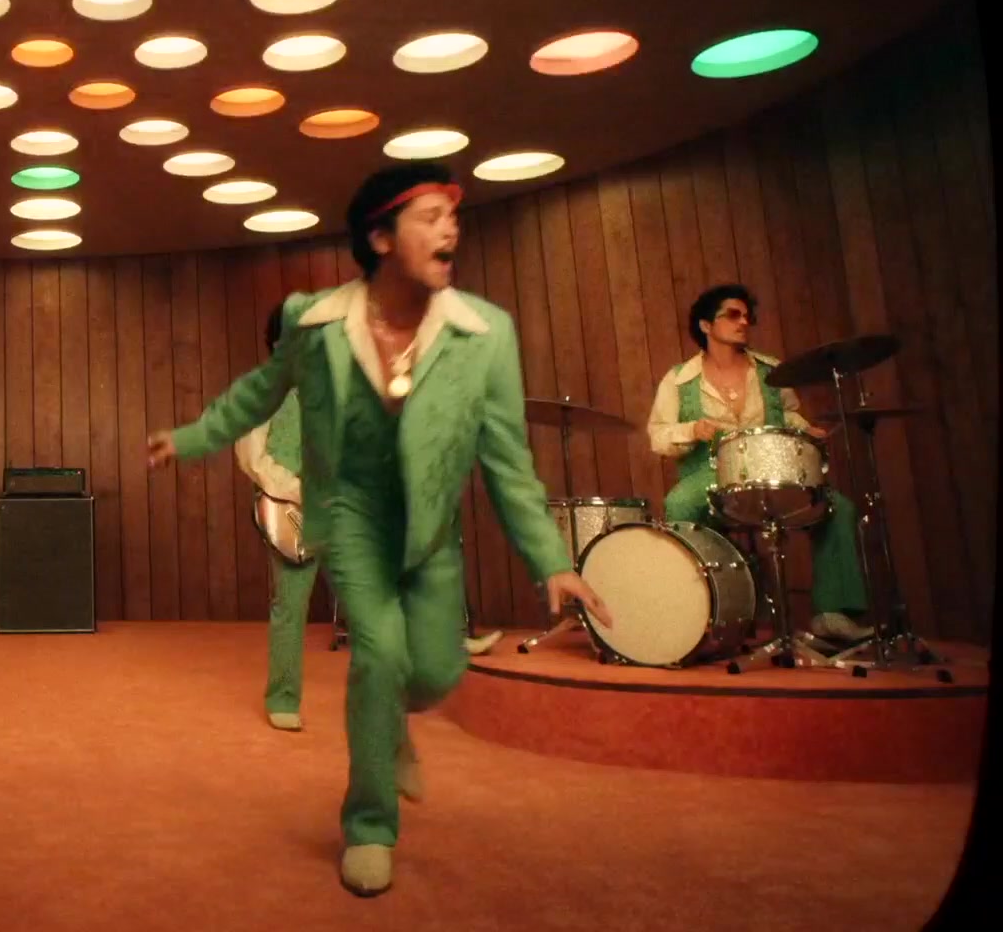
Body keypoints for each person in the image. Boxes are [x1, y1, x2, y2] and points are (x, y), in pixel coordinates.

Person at [148, 163, 611, 897]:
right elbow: (260, 392)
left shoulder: (486, 334)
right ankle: (369, 824)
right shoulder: (313, 320)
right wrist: (193, 437)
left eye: (453, 217)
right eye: (430, 216)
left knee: (435, 672)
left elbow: (507, 461)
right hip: (352, 516)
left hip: (430, 528)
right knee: (379, 651)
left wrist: (551, 559)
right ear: (381, 237)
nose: (450, 229)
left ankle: (390, 723)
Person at [240, 302, 504, 734]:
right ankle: (282, 697)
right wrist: (298, 489)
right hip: (291, 512)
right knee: (291, 605)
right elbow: (253, 457)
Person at [646, 285, 870, 642]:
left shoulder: (771, 369)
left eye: (747, 316)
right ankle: (698, 611)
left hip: (772, 466)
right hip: (712, 470)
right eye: (733, 315)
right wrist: (692, 429)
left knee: (837, 507)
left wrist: (807, 429)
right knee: (680, 503)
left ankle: (832, 614)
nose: (744, 322)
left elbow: (788, 414)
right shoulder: (680, 378)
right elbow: (658, 435)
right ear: (706, 325)